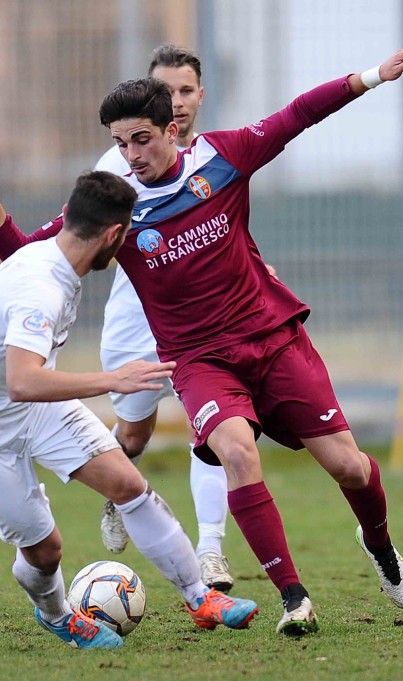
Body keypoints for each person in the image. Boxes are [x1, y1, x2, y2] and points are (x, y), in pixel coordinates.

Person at [0, 44, 403, 636]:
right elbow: (27, 254)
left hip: (271, 337)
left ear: (172, 129)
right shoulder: (115, 204)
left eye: (141, 139)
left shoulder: (223, 156)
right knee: (237, 453)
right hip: (197, 361)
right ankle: (294, 599)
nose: (131, 155)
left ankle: (379, 544)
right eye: (120, 143)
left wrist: (370, 77)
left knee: (349, 467)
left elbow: (297, 115)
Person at [0, 169, 259, 649]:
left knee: (128, 484)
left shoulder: (41, 260)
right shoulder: (42, 288)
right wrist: (114, 379)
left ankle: (200, 597)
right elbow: (22, 382)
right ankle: (57, 615)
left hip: (35, 411)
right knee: (46, 550)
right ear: (113, 235)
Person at [91, 45, 235, 593]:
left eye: (185, 90)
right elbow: (74, 239)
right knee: (134, 432)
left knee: (214, 427)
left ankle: (211, 552)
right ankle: (118, 486)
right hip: (136, 321)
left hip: (204, 324)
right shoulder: (118, 165)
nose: (176, 101)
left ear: (200, 96)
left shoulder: (214, 159)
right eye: (165, 91)